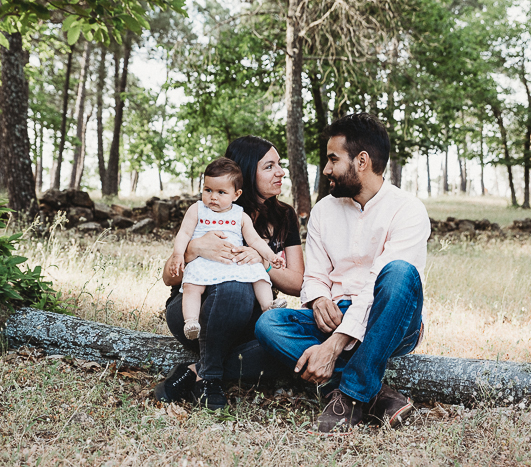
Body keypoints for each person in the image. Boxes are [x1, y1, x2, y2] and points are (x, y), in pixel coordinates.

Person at [255, 113, 430, 433]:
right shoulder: (324, 210)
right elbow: (315, 275)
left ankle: (349, 396)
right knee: (269, 324)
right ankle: (376, 395)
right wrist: (319, 298)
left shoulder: (408, 210)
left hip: (391, 319)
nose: (326, 169)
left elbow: (379, 285)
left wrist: (335, 344)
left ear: (361, 161)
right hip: (335, 314)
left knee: (399, 273)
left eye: (333, 159)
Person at [156, 135, 305, 410]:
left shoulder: (284, 215)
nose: (281, 172)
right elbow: (168, 277)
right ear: (247, 172)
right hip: (195, 310)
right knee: (235, 288)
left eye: (279, 164)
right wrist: (194, 249)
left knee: (292, 351)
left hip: (252, 319)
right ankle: (211, 378)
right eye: (269, 166)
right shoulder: (213, 206)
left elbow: (297, 283)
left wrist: (262, 261)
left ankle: (197, 371)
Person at [168, 157, 287, 341]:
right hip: (204, 261)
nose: (213, 197)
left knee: (258, 274)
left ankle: (268, 306)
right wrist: (178, 254)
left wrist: (270, 257)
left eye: (221, 192)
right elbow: (184, 233)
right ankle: (191, 321)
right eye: (208, 190)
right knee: (191, 286)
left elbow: (255, 240)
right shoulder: (197, 209)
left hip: (233, 261)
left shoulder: (240, 215)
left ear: (236, 195)